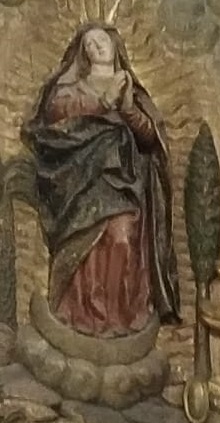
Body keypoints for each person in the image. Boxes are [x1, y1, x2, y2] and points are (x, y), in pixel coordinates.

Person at [25, 23, 181, 338]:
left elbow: (149, 139)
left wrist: (127, 108)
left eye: (101, 40)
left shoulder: (131, 90)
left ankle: (119, 320)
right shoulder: (72, 88)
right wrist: (102, 101)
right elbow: (56, 113)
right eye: (89, 44)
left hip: (124, 183)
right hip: (83, 184)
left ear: (114, 44)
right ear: (83, 55)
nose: (96, 46)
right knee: (88, 246)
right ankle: (84, 320)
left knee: (122, 240)